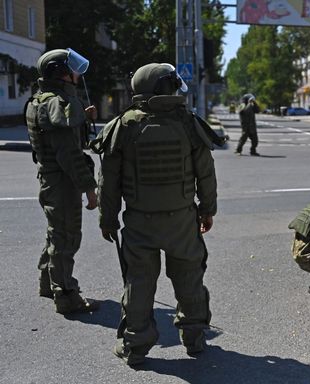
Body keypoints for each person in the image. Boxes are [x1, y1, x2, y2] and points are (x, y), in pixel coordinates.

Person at [97, 63, 217, 366]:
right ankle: (194, 338)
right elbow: (206, 174)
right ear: (166, 88)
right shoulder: (188, 123)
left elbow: (108, 183)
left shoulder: (123, 126)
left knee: (138, 282)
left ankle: (135, 346)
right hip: (181, 220)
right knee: (189, 276)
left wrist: (107, 219)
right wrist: (207, 210)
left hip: (139, 222)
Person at [24, 48, 100, 314]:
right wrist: (90, 189)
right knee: (67, 237)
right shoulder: (57, 103)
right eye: (71, 69)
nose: (76, 74)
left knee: (56, 233)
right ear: (60, 73)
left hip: (50, 179)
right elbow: (69, 154)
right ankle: (66, 295)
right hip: (62, 181)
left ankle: (48, 282)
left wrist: (83, 116)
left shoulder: (41, 100)